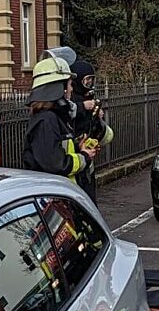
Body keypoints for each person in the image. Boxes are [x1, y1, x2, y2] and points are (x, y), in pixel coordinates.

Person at [23, 57, 97, 181]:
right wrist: (84, 156)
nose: (71, 89)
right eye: (69, 84)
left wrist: (78, 146)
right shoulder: (46, 121)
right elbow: (56, 164)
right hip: (52, 194)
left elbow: (56, 150)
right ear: (58, 88)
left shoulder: (53, 117)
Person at [67, 55, 114, 202]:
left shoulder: (88, 99)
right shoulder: (71, 103)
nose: (89, 84)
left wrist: (96, 118)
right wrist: (82, 107)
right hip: (74, 166)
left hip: (86, 163)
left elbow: (98, 132)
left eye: (91, 80)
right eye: (86, 80)